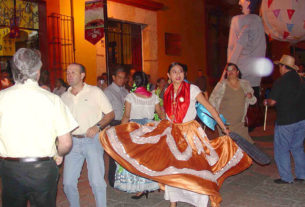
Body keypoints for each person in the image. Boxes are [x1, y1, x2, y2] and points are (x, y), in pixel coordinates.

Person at [100, 62, 252, 207]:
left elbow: (209, 107)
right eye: (174, 72)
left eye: (180, 71)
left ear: (184, 73)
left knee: (196, 167)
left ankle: (200, 199)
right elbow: (166, 114)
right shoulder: (166, 91)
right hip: (173, 132)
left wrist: (223, 126)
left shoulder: (192, 89)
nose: (178, 74)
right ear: (169, 75)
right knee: (172, 167)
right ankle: (173, 202)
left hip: (191, 133)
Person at [0, 48, 77, 207]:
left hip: (10, 168)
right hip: (43, 168)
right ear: (37, 72)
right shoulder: (52, 99)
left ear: (14, 70)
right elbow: (66, 143)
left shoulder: (2, 98)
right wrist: (59, 154)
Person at [61, 63, 115, 207]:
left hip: (92, 140)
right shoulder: (63, 97)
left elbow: (110, 114)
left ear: (82, 75)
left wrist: (98, 126)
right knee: (67, 183)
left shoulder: (95, 92)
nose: (69, 75)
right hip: (72, 142)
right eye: (68, 72)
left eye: (73, 72)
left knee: (97, 181)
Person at [114, 71, 165, 198]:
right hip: (149, 129)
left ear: (135, 82)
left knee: (134, 158)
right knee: (148, 159)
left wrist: (120, 130)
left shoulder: (131, 97)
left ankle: (140, 187)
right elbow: (160, 114)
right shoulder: (153, 97)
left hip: (135, 129)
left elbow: (126, 115)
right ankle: (147, 185)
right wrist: (167, 122)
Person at [264, 55, 305, 184]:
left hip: (286, 121)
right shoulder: (301, 79)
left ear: (283, 67)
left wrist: (267, 101)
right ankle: (302, 174)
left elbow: (273, 102)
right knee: (297, 147)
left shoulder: (281, 82)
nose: (279, 69)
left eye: (279, 67)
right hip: (302, 119)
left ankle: (286, 177)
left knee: (282, 149)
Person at [227, 0, 266, 100]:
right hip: (255, 76)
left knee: (237, 109)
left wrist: (227, 71)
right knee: (251, 106)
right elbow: (262, 48)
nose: (239, 2)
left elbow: (236, 47)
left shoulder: (238, 20)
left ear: (249, 2)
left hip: (240, 73)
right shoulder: (258, 21)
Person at [209, 63, 257, 143]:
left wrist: (250, 96)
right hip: (225, 122)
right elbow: (212, 101)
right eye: (228, 70)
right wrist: (215, 117)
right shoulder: (221, 85)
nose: (230, 72)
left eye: (233, 69)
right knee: (228, 145)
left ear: (237, 72)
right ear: (226, 73)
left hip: (240, 122)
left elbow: (253, 101)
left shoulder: (245, 84)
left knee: (244, 144)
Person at [103, 65, 129, 187]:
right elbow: (105, 111)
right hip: (113, 123)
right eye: (119, 77)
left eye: (123, 78)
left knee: (124, 153)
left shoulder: (125, 91)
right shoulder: (108, 92)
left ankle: (122, 179)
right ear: (113, 77)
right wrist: (106, 126)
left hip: (124, 123)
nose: (121, 80)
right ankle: (112, 180)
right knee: (113, 154)